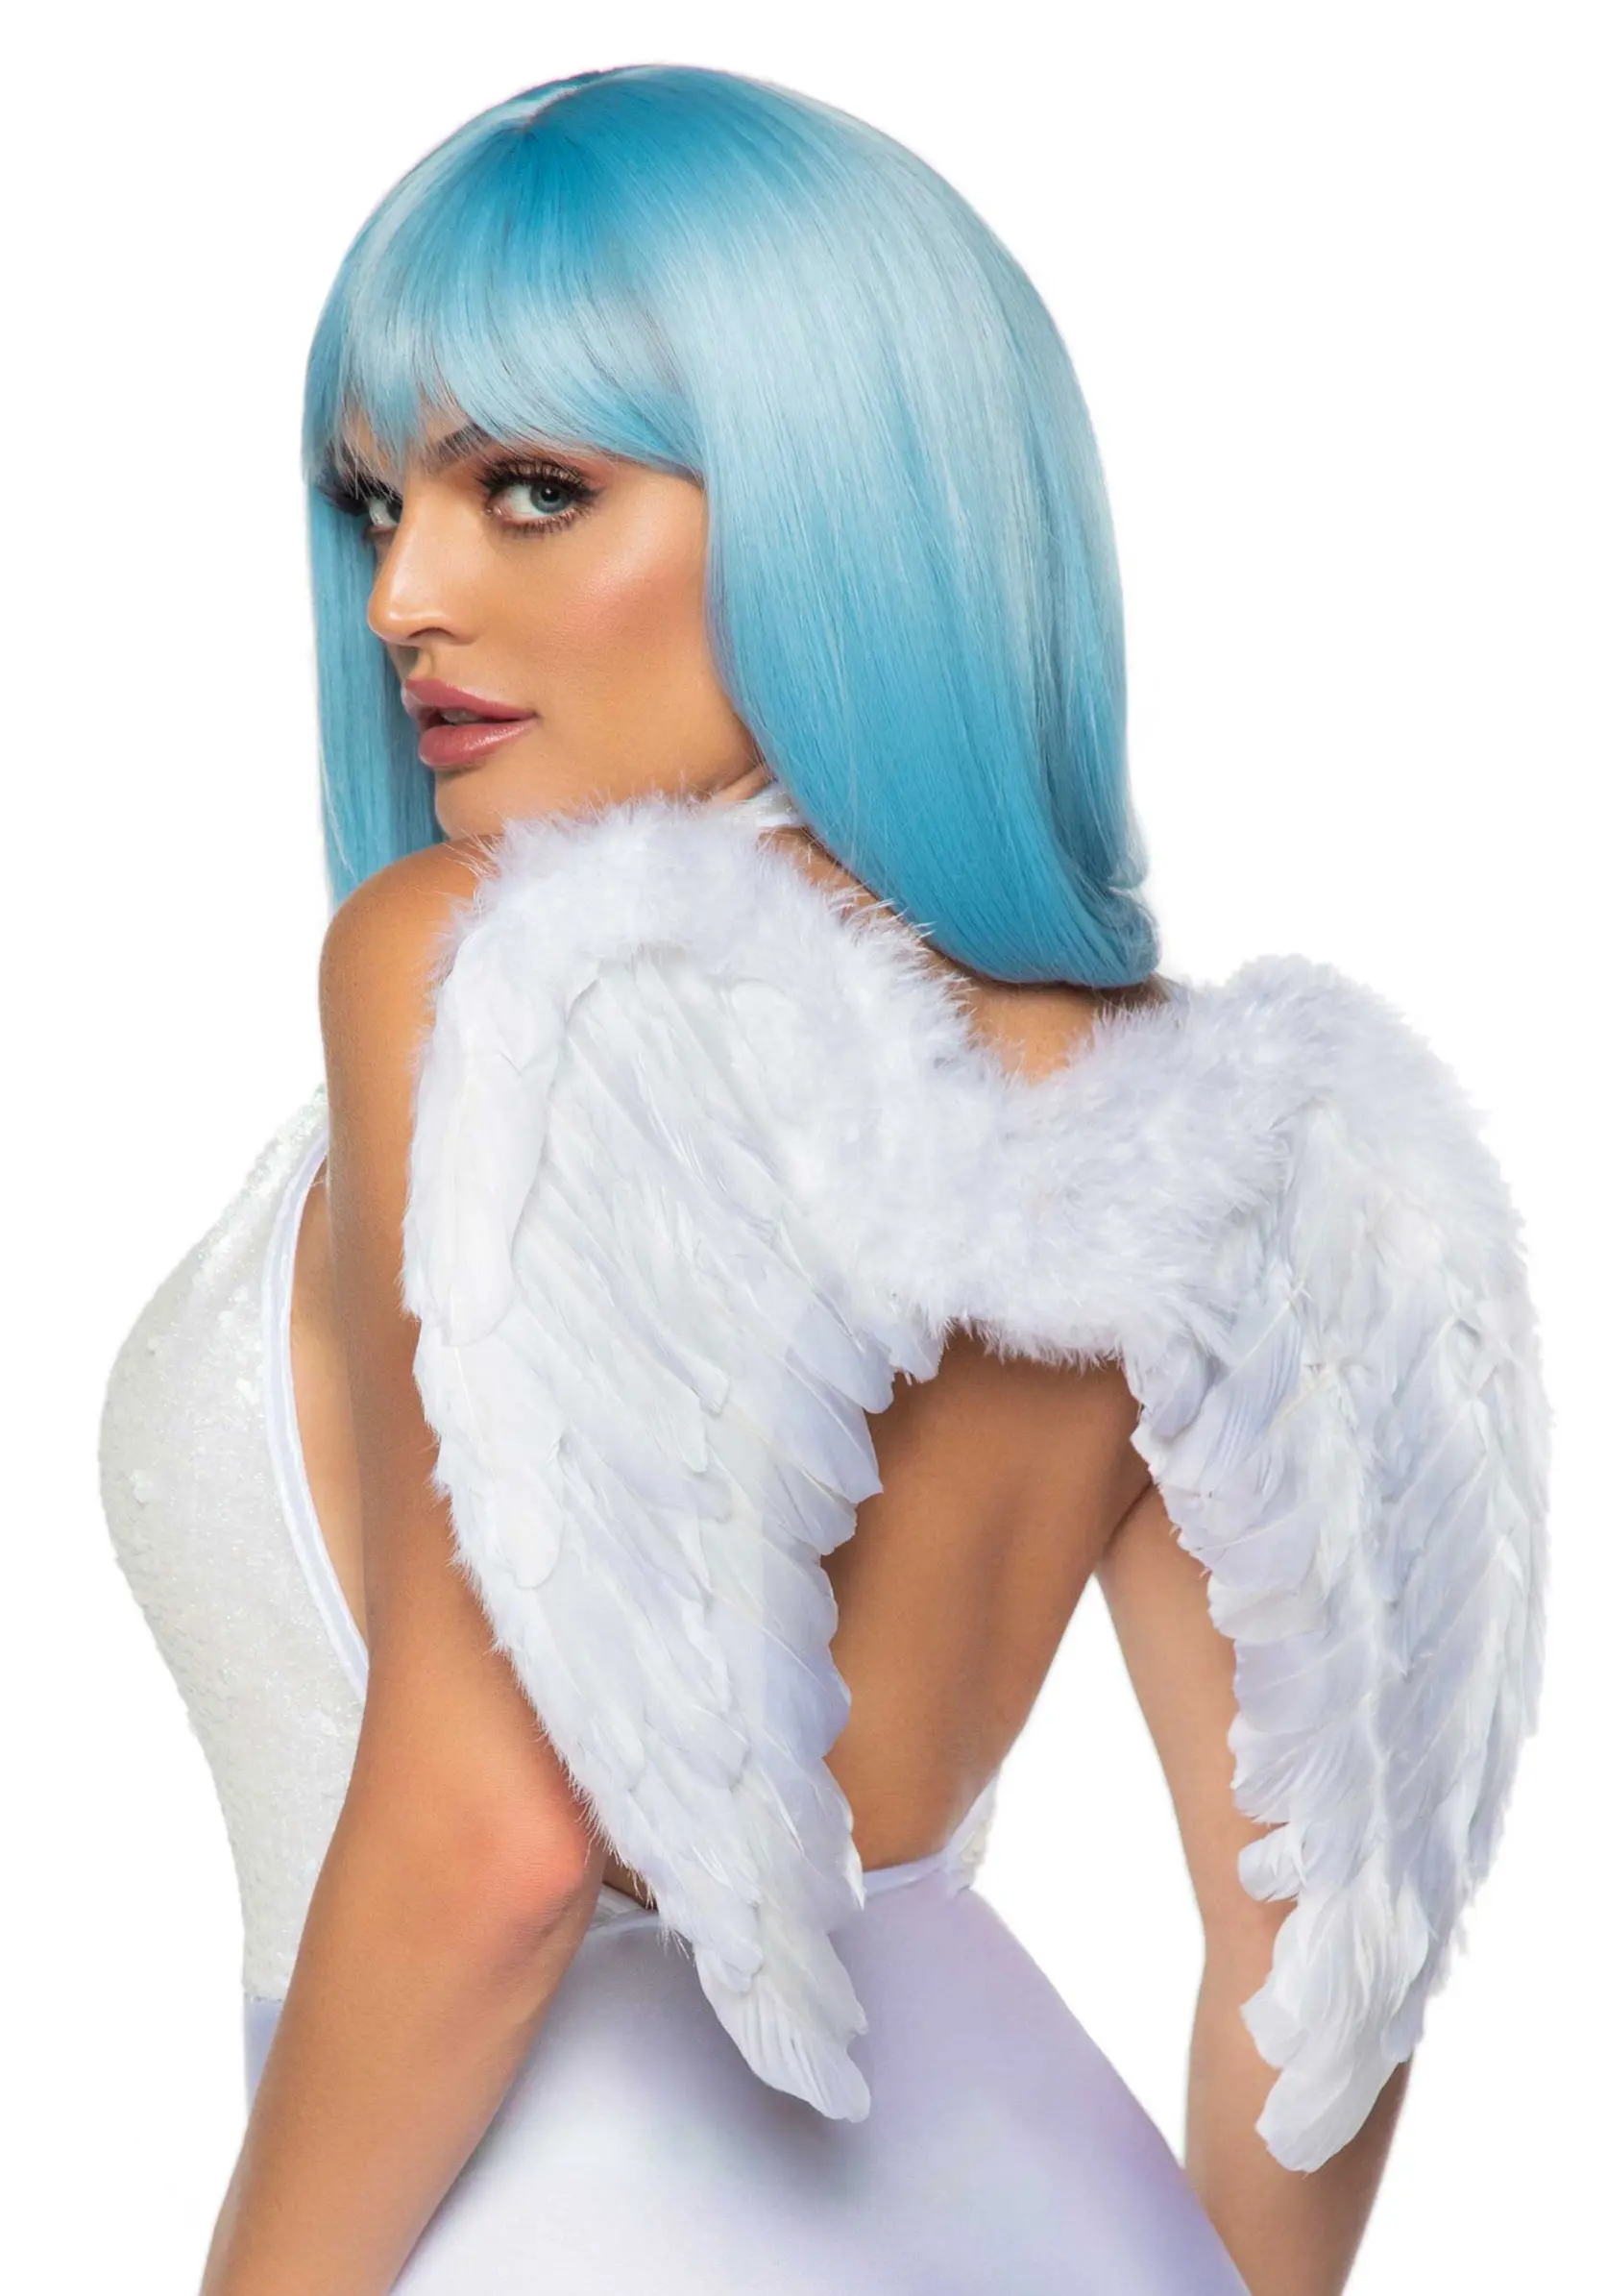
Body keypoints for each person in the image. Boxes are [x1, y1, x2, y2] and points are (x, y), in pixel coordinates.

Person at [97, 62, 1549, 2296]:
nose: (401, 591)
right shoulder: (1215, 1121)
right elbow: (1314, 1979)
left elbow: (496, 1846)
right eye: (375, 498)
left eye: (532, 487)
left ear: (841, 505)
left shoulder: (483, 969)